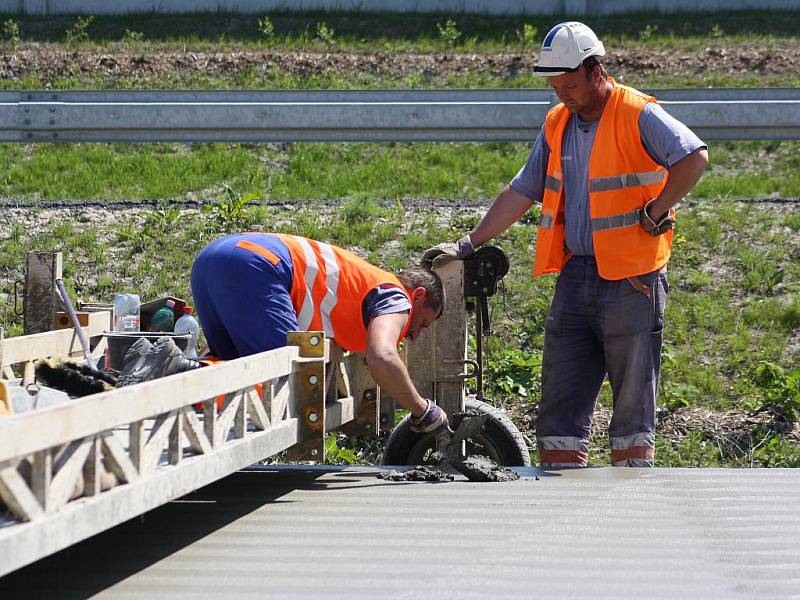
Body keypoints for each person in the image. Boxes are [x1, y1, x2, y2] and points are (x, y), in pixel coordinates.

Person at [424, 21, 708, 468]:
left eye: (569, 84)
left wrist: (657, 210)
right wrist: (469, 241)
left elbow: (693, 158)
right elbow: (522, 190)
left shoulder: (637, 112)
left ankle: (631, 494)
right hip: (577, 274)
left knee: (633, 401)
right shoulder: (558, 122)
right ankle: (561, 486)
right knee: (560, 397)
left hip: (633, 277)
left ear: (596, 71)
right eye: (555, 85)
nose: (563, 94)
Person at [118, 232, 449, 434]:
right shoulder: (394, 296)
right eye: (421, 324)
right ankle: (171, 369)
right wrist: (422, 409)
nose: (413, 335)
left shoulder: (363, 283)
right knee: (285, 378)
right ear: (417, 297)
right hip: (257, 265)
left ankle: (157, 370)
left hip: (213, 259)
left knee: (235, 366)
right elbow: (382, 356)